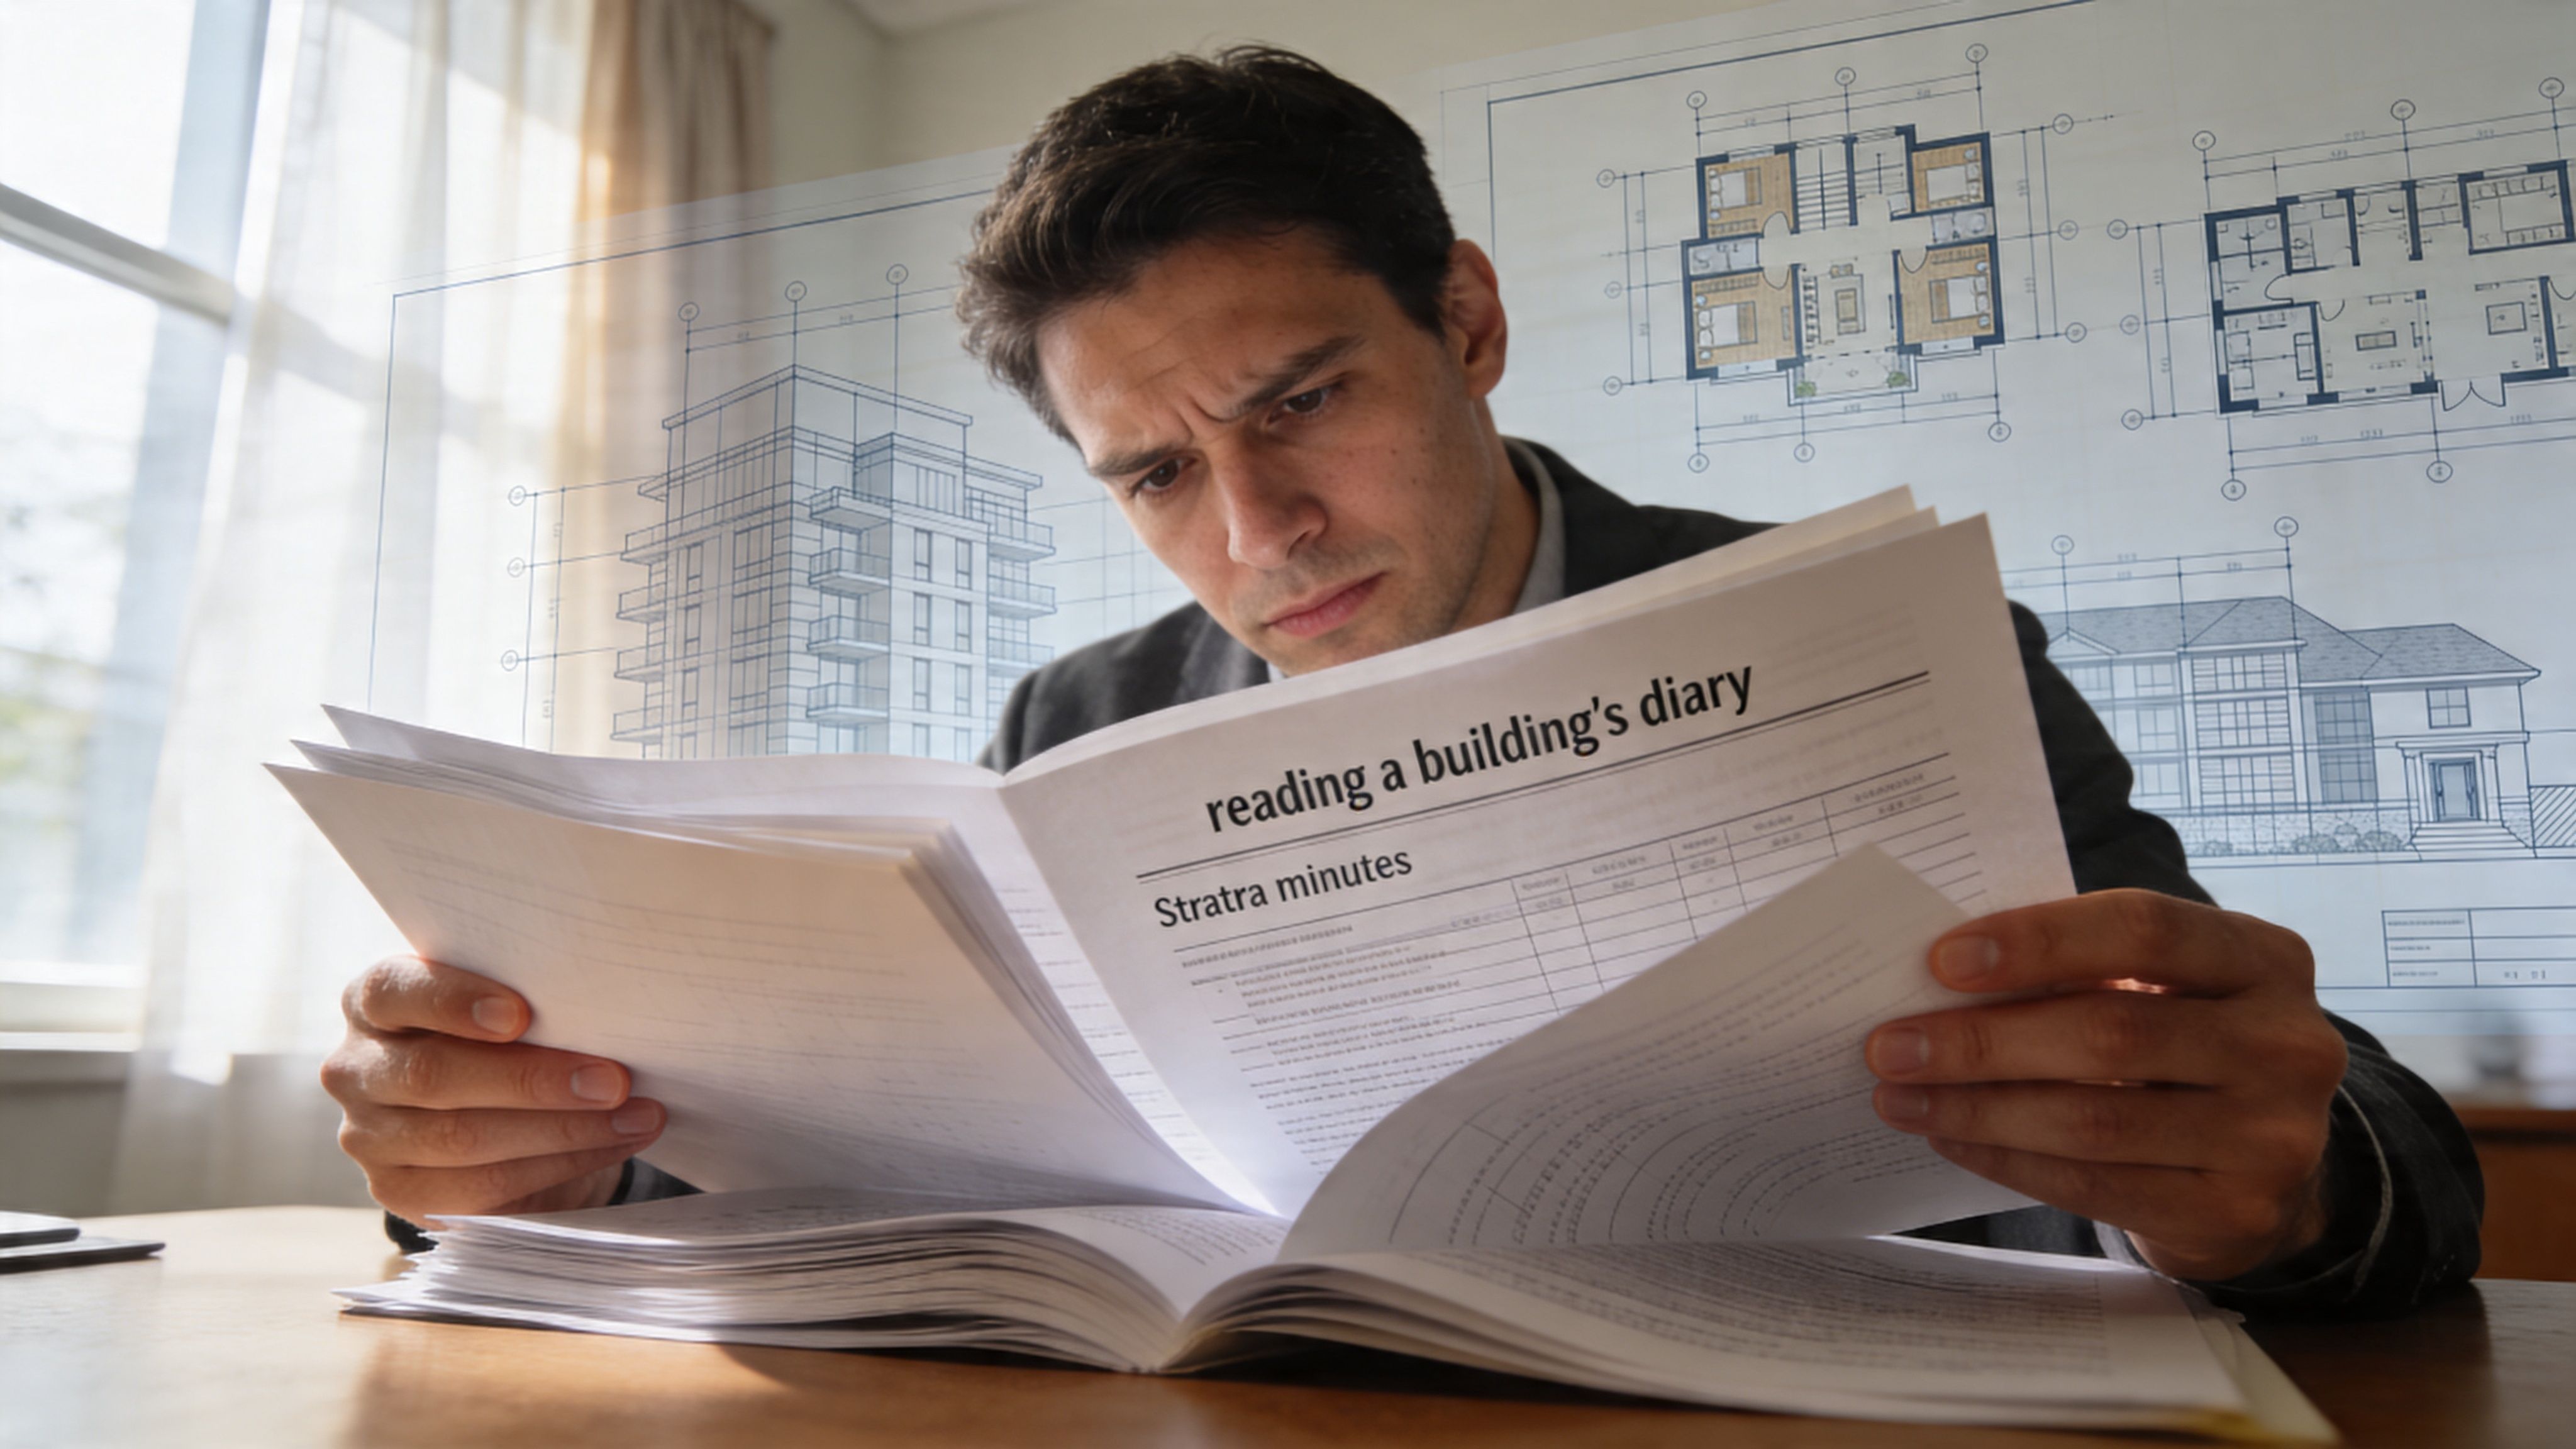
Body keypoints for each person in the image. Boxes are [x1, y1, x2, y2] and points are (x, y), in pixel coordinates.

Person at [324, 47, 2480, 1313]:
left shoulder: (1883, 652)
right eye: (1156, 471)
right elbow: (909, 1188)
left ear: (1464, 316)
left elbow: (2345, 1124)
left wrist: (2284, 1182)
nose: (1257, 531)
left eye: (1303, 401)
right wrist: (555, 1159)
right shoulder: (1072, 737)